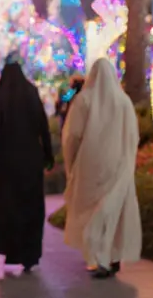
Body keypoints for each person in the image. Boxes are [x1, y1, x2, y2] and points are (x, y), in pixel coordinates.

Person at [60, 58, 142, 279]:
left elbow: (72, 137)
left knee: (92, 211)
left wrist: (71, 162)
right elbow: (133, 135)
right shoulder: (124, 102)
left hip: (91, 165)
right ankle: (112, 256)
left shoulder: (84, 101)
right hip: (119, 164)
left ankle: (99, 259)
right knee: (114, 210)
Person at [0, 60, 54, 272]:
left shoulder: (3, 95)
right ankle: (30, 254)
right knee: (31, 206)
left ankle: (12, 251)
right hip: (31, 160)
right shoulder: (31, 92)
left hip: (7, 163)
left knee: (10, 208)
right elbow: (43, 125)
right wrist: (49, 155)